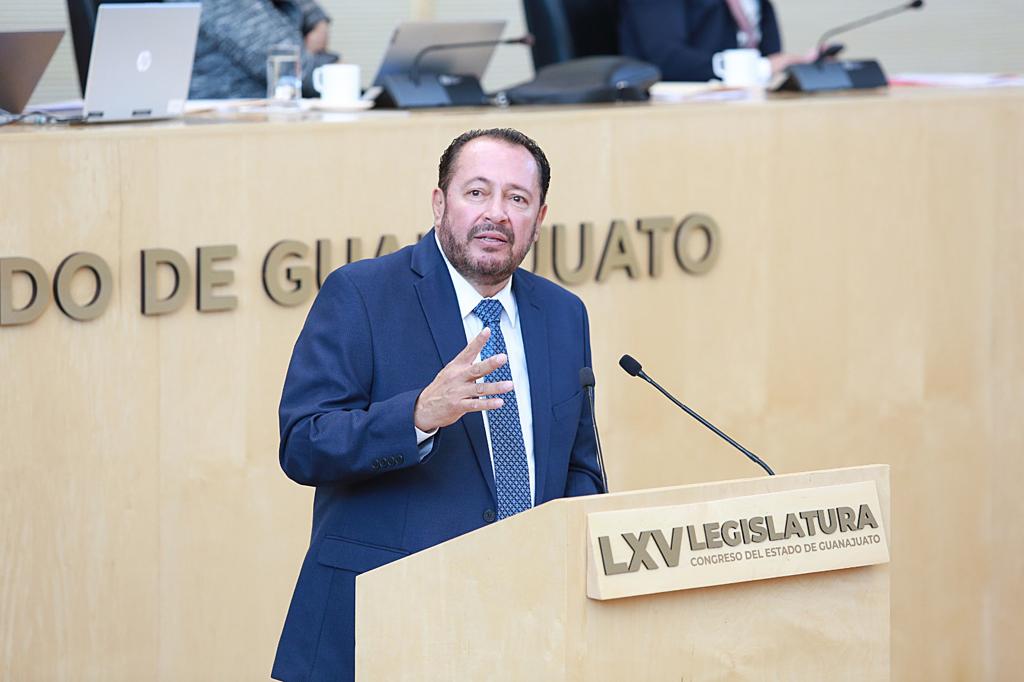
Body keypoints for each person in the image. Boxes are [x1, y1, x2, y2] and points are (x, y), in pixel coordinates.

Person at [271, 128, 604, 681]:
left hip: (523, 626)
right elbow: (304, 444)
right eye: (477, 192)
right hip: (385, 623)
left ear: (540, 218)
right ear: (439, 203)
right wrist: (417, 417)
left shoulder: (563, 313)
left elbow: (579, 467)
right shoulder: (362, 293)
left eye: (517, 198)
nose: (496, 213)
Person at [173, 0, 339, 99]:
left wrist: (317, 20)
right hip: (223, 128)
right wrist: (337, 67)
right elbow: (295, 69)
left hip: (262, 121)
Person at [618, 0, 812, 82]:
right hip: (677, 115)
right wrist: (761, 68)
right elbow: (666, 59)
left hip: (742, 109)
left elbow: (770, 56)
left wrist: (802, 67)